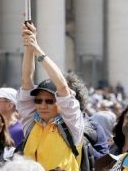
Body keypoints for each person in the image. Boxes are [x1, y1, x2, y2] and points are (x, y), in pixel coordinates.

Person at [17, 20, 84, 171]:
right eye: (39, 100)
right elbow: (26, 79)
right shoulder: (30, 124)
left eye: (49, 101)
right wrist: (28, 44)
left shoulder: (72, 126)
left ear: (60, 102)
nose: (42, 105)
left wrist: (37, 49)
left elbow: (62, 86)